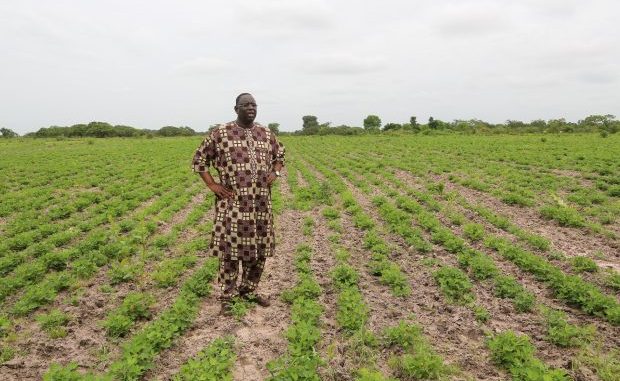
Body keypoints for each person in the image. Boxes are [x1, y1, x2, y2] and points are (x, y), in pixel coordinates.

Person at [191, 93, 285, 315]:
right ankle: (228, 296)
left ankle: (249, 291)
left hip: (261, 205)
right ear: (236, 109)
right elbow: (199, 160)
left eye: (253, 104)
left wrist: (276, 171)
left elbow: (280, 153)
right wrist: (213, 185)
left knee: (258, 251)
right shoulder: (220, 133)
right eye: (245, 105)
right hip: (233, 204)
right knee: (230, 252)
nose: (250, 108)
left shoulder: (266, 132)